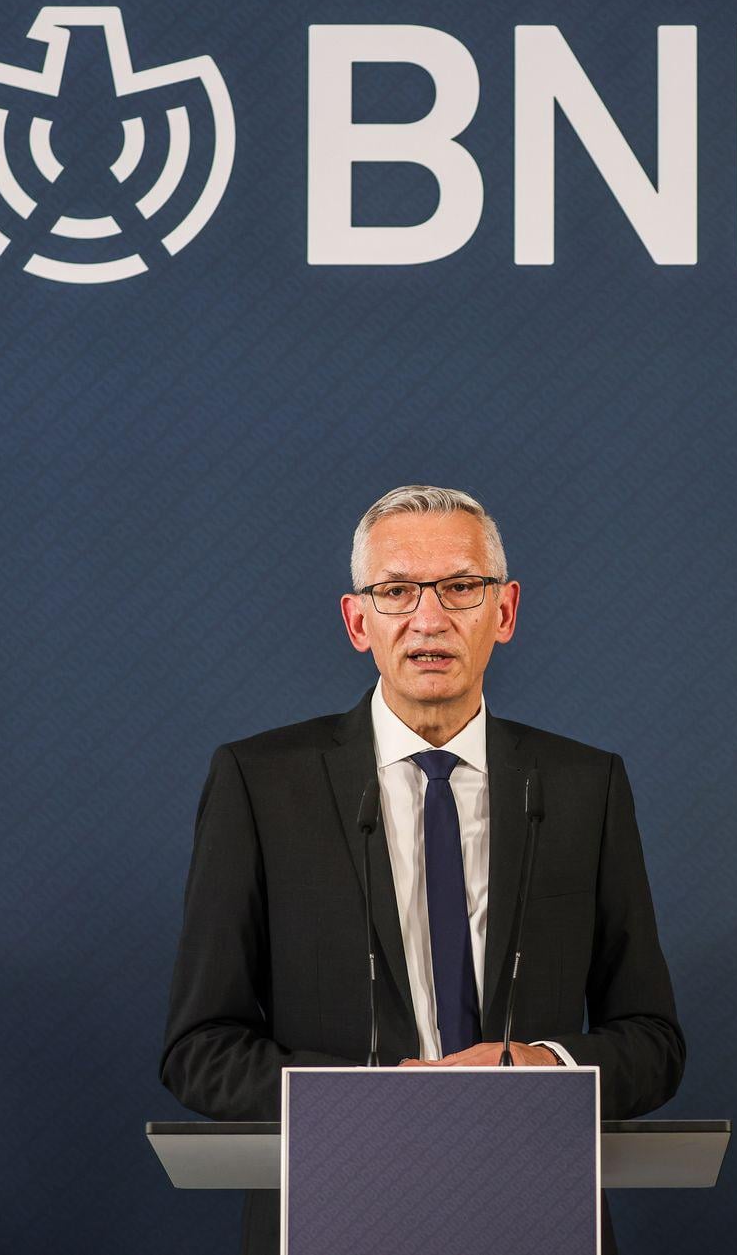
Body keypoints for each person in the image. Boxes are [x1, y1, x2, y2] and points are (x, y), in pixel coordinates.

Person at [160, 485, 685, 1252]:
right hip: (336, 1211)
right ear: (357, 620)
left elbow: (653, 1040)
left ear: (504, 611)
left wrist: (542, 1063)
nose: (429, 618)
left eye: (461, 587)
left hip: (535, 1209)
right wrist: (373, 1105)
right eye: (398, 590)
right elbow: (200, 1047)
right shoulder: (261, 783)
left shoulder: (584, 786)